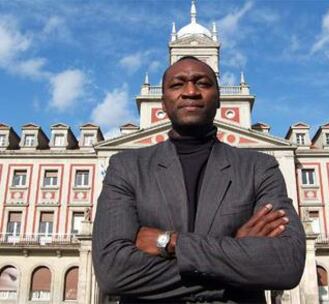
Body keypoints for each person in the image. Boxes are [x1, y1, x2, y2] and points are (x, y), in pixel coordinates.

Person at [92, 56, 306, 303]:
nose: (190, 91)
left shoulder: (260, 167)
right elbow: (113, 273)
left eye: (203, 83)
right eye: (177, 84)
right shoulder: (127, 166)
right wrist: (235, 254)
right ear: (162, 102)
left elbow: (286, 264)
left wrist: (171, 243)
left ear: (219, 99)